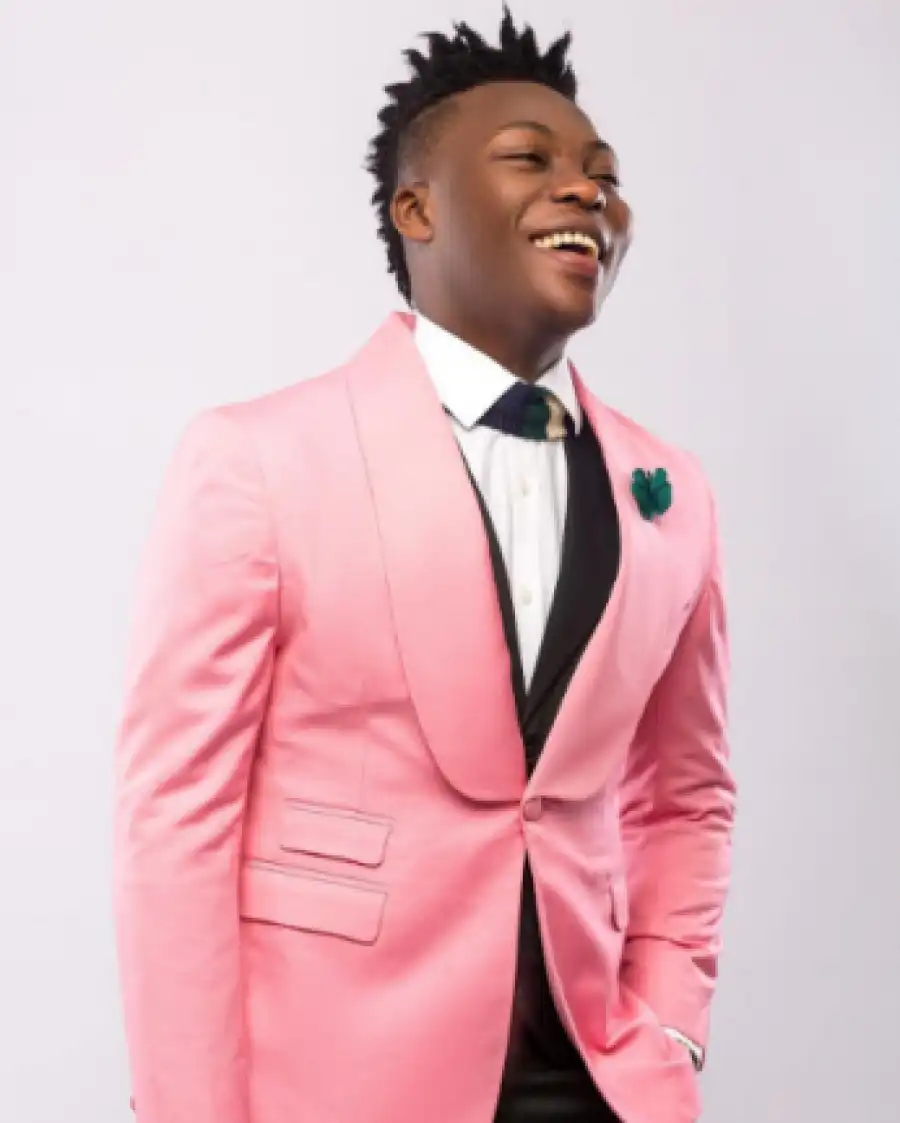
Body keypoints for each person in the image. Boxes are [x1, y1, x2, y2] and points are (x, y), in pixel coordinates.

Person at [112, 8, 736, 1123]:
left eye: (603, 174)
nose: (586, 190)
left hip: (598, 1077)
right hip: (339, 1078)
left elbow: (687, 793)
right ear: (418, 210)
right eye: (530, 159)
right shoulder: (258, 460)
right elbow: (175, 823)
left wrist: (671, 1018)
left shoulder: (673, 490)